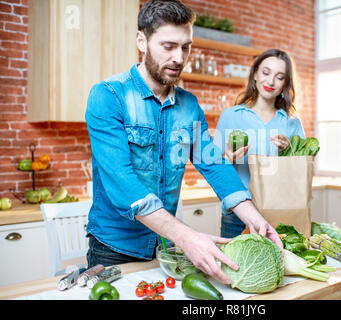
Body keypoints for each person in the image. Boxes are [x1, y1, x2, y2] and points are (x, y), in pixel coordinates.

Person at [84, 0, 281, 285]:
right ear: (142, 41)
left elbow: (213, 163)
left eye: (186, 46)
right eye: (168, 46)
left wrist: (253, 216)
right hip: (114, 250)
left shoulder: (189, 105)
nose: (179, 57)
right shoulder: (108, 96)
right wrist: (188, 237)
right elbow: (122, 184)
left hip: (163, 246)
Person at [214, 49, 306, 238]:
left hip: (279, 213)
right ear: (255, 74)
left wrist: (289, 152)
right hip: (237, 214)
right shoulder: (230, 116)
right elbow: (214, 168)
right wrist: (227, 158)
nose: (270, 81)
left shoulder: (292, 123)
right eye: (265, 73)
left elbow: (302, 173)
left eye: (279, 77)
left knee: (277, 267)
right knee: (233, 266)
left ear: (285, 84)